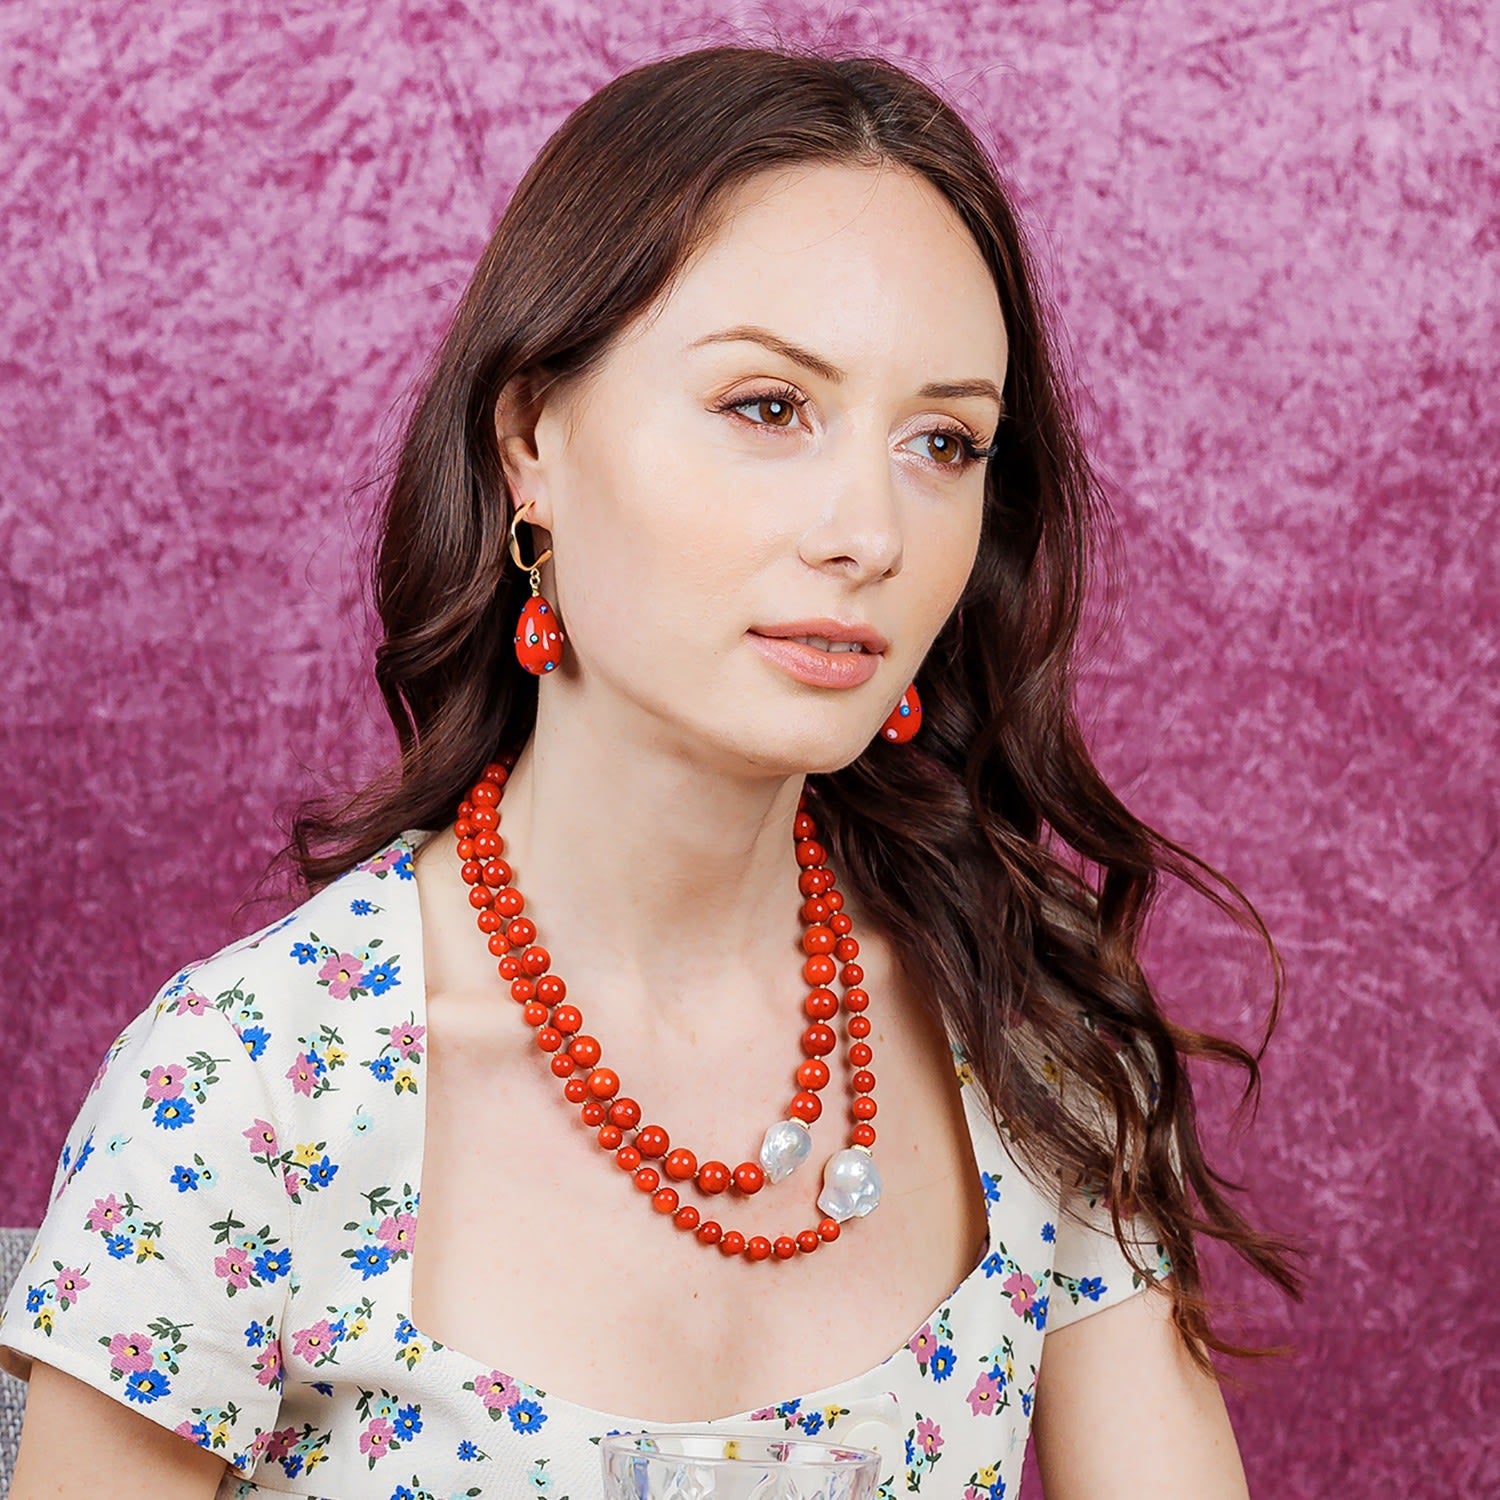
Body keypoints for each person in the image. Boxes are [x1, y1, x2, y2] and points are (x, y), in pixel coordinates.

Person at [2, 41, 1305, 1500]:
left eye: (945, 441)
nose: (869, 533)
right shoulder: (252, 1090)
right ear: (530, 441)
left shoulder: (1028, 1035)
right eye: (769, 407)